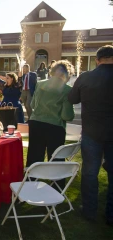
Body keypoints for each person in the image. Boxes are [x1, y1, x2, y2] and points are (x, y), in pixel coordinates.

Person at [68, 45, 113, 226]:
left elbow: (72, 99)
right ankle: (110, 214)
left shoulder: (86, 77)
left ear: (97, 59)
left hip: (91, 132)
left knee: (89, 173)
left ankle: (89, 211)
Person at [26, 60, 75, 188]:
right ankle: (57, 187)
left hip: (36, 124)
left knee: (34, 156)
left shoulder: (40, 84)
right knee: (56, 158)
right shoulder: (67, 90)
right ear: (67, 74)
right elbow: (67, 116)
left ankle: (30, 185)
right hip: (55, 127)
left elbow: (32, 105)